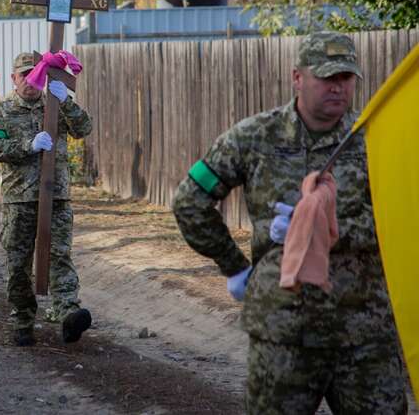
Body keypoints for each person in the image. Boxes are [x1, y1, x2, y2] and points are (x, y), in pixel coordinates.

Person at [171, 31, 407, 414]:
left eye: (346, 79)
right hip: (283, 332)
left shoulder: (374, 142)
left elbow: (400, 218)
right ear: (298, 78)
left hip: (363, 331)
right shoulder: (253, 138)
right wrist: (233, 266)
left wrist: (322, 228)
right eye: (327, 78)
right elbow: (189, 201)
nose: (338, 88)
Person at [0, 52, 93, 347]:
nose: (31, 82)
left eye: (36, 76)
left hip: (56, 196)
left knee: (60, 256)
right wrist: (27, 145)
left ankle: (68, 313)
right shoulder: (3, 110)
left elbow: (84, 129)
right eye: (24, 76)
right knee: (18, 263)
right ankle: (22, 320)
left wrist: (66, 101)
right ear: (14, 79)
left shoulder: (55, 104)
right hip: (19, 199)